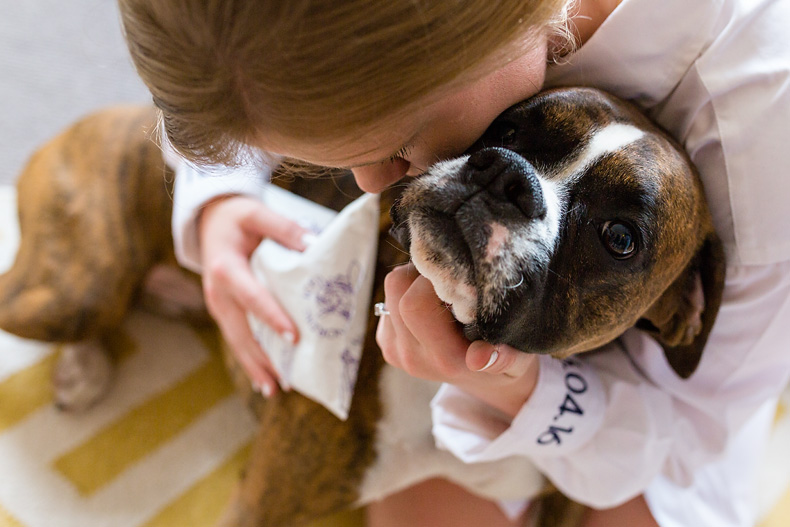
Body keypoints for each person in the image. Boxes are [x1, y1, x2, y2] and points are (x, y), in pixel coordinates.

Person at [118, 0, 790, 525]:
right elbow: (250, 60)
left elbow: (696, 426)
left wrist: (517, 392)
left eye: (399, 143)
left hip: (676, 402)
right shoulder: (407, 58)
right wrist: (217, 193)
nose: (369, 183)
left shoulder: (765, 141)